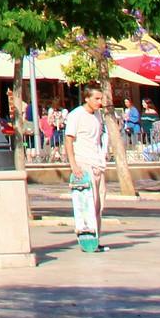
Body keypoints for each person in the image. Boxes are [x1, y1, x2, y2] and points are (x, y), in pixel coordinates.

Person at [64, 83, 110, 253]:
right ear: (87, 98)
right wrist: (74, 165)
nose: (100, 102)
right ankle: (86, 236)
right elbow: (69, 140)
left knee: (99, 203)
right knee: (88, 203)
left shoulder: (98, 115)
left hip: (98, 162)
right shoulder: (76, 115)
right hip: (84, 162)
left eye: (101, 98)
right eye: (96, 99)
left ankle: (95, 239)